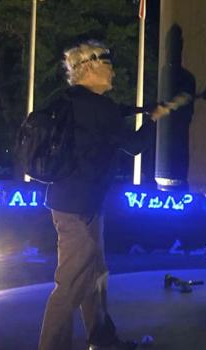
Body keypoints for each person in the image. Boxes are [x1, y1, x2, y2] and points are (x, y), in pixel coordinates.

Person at [38, 40, 169, 350]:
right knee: (70, 283)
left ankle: (103, 339)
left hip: (69, 200)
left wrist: (139, 108)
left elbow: (108, 117)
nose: (113, 71)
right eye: (108, 65)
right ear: (90, 68)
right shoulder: (100, 108)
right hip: (80, 208)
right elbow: (134, 146)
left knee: (95, 274)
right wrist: (153, 119)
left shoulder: (66, 99)